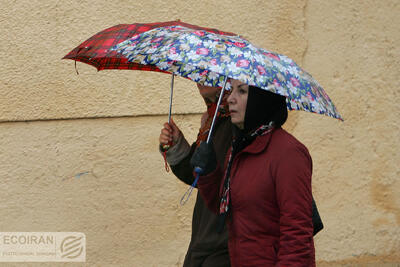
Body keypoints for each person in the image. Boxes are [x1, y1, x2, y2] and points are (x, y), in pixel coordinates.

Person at [191, 79, 316, 266]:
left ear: (261, 99)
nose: (230, 99)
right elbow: (226, 208)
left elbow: (297, 234)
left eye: (241, 92)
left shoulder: (289, 152)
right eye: (231, 90)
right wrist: (209, 173)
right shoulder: (240, 148)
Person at [159, 83, 232, 267]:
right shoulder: (214, 118)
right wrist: (176, 146)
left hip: (222, 244)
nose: (200, 79)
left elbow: (218, 180)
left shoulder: (237, 124)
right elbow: (201, 177)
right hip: (205, 238)